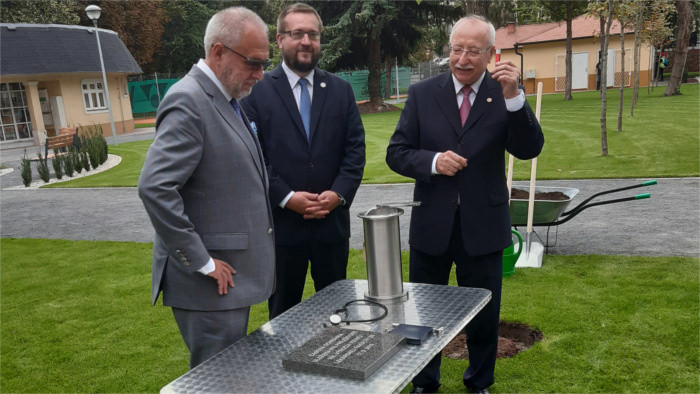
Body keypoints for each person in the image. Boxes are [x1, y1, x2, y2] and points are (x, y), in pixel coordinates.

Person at [386, 15, 544, 393]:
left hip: (483, 225)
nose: (463, 58)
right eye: (457, 48)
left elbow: (529, 148)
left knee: (484, 313)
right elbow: (397, 153)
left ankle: (479, 382)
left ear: (491, 53)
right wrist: (432, 162)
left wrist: (515, 98)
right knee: (423, 311)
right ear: (449, 48)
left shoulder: (502, 93)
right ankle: (425, 382)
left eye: (474, 51)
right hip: (431, 224)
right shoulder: (424, 93)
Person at [138, 7, 275, 369]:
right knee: (219, 382)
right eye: (253, 63)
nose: (260, 75)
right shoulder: (189, 100)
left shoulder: (225, 100)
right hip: (211, 285)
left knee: (231, 379)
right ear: (218, 52)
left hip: (228, 283)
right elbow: (155, 187)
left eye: (263, 64)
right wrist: (201, 261)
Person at [241, 2, 365, 320]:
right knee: (283, 317)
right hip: (282, 231)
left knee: (340, 315)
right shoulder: (256, 92)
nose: (306, 41)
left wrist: (338, 195)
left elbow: (355, 153)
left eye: (313, 34)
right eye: (297, 33)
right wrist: (286, 198)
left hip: (331, 227)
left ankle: (338, 368)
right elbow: (253, 158)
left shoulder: (341, 91)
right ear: (280, 39)